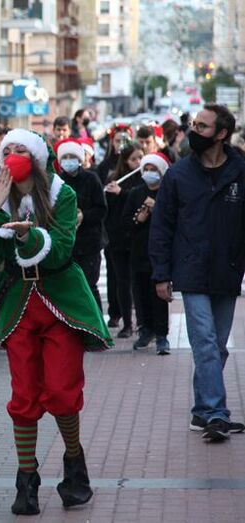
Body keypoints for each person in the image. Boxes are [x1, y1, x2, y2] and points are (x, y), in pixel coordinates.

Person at [0, 129, 111, 515]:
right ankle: (27, 479)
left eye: (21, 150)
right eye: (7, 150)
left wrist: (28, 237)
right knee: (24, 397)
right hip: (18, 303)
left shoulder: (62, 195)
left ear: (37, 158)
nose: (13, 156)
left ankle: (74, 462)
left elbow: (61, 251)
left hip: (60, 301)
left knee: (63, 393)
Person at [150, 104, 245, 442]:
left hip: (227, 272)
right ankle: (217, 414)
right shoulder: (178, 174)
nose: (195, 130)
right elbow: (162, 227)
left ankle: (202, 411)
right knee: (204, 342)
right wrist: (161, 273)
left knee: (216, 346)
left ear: (221, 134)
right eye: (194, 124)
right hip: (191, 271)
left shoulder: (240, 172)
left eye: (203, 126)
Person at [124, 153, 170, 355]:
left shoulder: (167, 192)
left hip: (159, 252)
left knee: (159, 293)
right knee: (140, 293)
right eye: (147, 169)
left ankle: (161, 334)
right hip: (139, 251)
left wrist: (157, 208)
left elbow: (173, 218)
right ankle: (145, 329)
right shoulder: (136, 193)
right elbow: (126, 222)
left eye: (154, 170)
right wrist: (138, 219)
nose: (150, 173)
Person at [56, 139, 107, 310]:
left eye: (72, 157)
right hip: (67, 244)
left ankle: (96, 321)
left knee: (89, 286)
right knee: (69, 287)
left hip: (89, 243)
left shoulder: (91, 179)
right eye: (65, 157)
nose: (68, 161)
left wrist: (83, 215)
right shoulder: (57, 182)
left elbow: (101, 209)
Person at [103, 142, 143, 337]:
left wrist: (123, 193)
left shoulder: (144, 179)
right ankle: (127, 323)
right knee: (123, 282)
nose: (138, 162)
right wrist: (111, 194)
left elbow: (141, 201)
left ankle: (144, 323)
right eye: (134, 159)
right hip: (118, 239)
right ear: (125, 161)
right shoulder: (114, 179)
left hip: (138, 238)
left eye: (140, 158)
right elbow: (108, 211)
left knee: (140, 281)